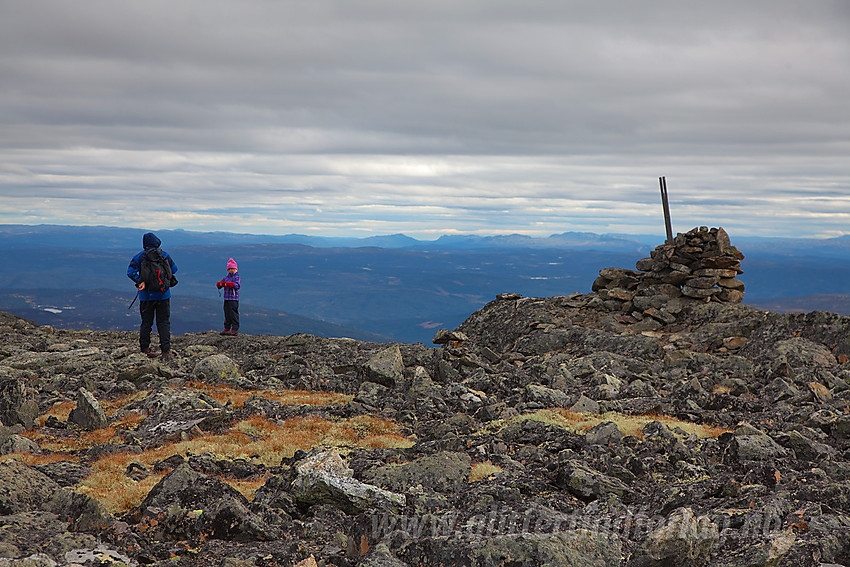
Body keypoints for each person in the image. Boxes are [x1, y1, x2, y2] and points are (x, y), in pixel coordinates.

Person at [127, 232, 178, 359]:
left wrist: (140, 280)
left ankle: (145, 349)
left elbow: (130, 272)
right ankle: (165, 350)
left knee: (146, 322)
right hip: (164, 295)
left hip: (146, 296)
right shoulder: (164, 255)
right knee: (163, 322)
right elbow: (174, 269)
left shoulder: (139, 257)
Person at [217, 257, 241, 335]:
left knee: (233, 313)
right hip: (226, 298)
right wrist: (219, 285)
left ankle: (234, 329)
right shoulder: (226, 278)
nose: (231, 270)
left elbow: (237, 286)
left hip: (233, 299)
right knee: (227, 313)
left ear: (236, 269)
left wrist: (230, 284)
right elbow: (221, 283)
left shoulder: (237, 278)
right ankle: (227, 328)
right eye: (229, 269)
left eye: (232, 268)